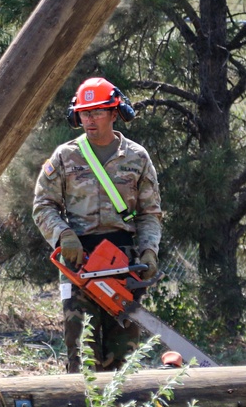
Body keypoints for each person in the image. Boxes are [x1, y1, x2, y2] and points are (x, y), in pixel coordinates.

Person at [33, 77, 162, 373]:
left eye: (97, 112)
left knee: (123, 356)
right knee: (81, 353)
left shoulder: (137, 157)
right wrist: (63, 234)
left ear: (114, 113)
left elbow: (149, 213)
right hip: (80, 263)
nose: (89, 119)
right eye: (84, 113)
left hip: (124, 264)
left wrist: (148, 251)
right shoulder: (65, 157)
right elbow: (43, 205)